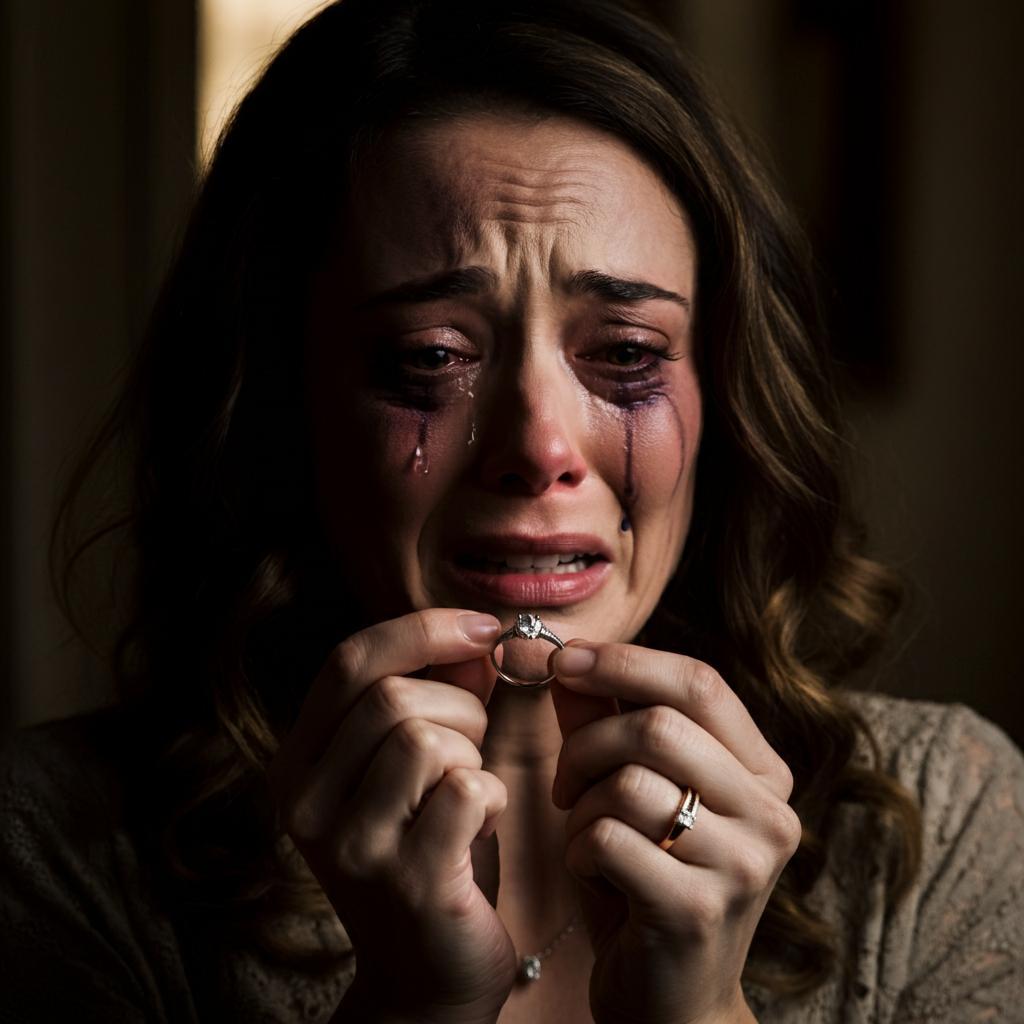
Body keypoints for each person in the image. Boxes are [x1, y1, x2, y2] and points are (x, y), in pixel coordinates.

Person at [1, 1, 1021, 1021]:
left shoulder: (946, 829)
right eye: (431, 358)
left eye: (624, 354)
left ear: (724, 394)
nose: (539, 450)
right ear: (279, 396)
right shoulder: (49, 849)